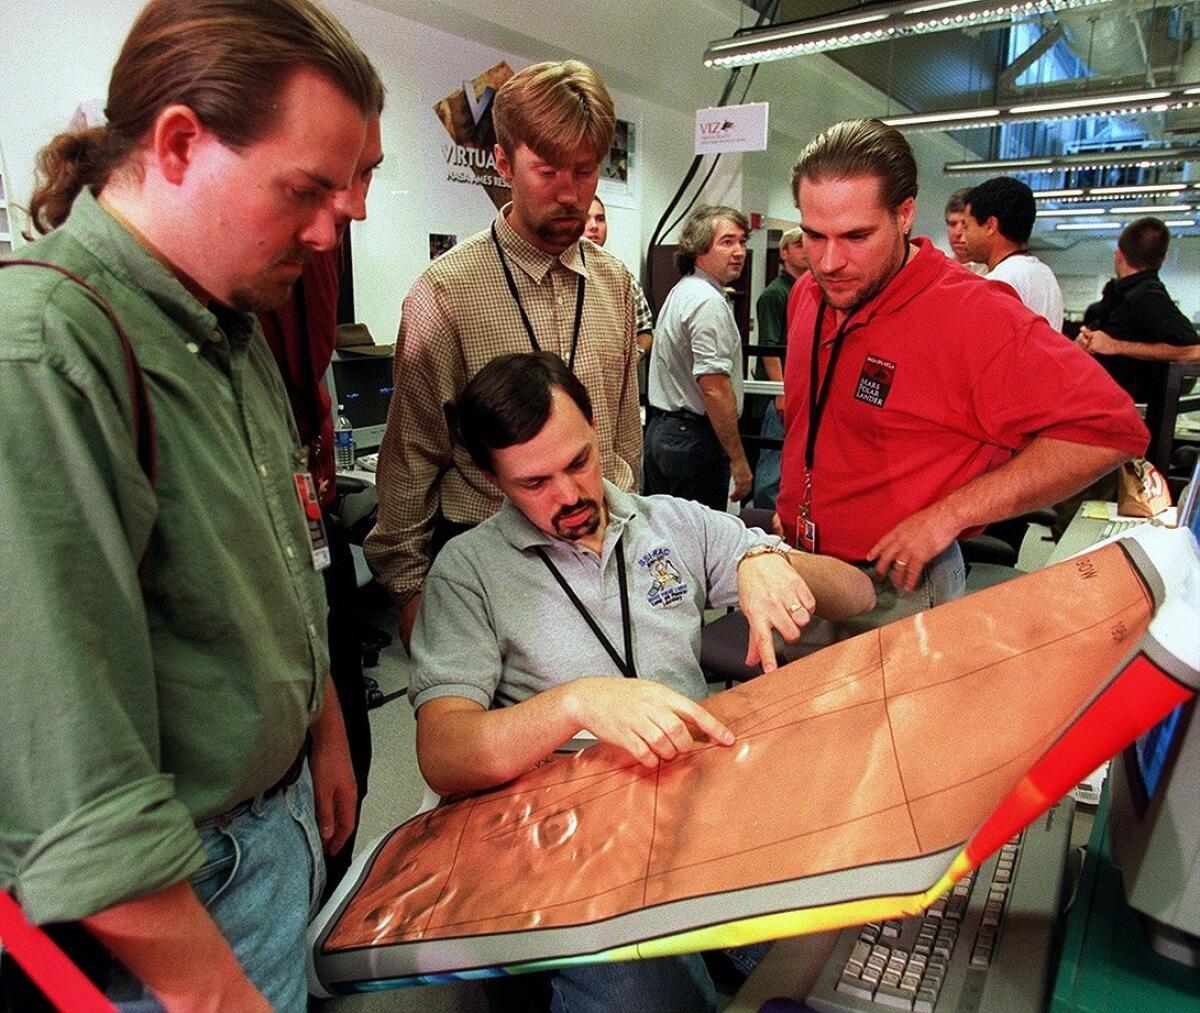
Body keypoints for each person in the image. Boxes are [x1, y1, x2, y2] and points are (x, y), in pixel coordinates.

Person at [0, 1, 382, 1009]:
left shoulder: (225, 312)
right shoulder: (45, 353)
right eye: (304, 190)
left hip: (272, 827)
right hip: (178, 905)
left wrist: (322, 725)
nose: (329, 228)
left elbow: (281, 546)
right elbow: (72, 778)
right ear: (177, 143)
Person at [409, 351, 874, 1013]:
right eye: (534, 482)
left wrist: (765, 558)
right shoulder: (468, 571)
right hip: (573, 831)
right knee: (650, 995)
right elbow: (444, 751)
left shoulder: (669, 522)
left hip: (699, 797)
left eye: (578, 462)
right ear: (491, 478)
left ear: (596, 429)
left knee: (826, 939)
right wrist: (577, 701)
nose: (569, 495)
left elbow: (855, 593)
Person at [774, 118, 1148, 637]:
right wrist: (795, 506)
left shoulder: (972, 313)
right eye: (815, 236)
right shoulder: (808, 296)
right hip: (796, 570)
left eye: (856, 236)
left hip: (893, 592)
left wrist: (947, 516)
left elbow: (1110, 430)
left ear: (904, 215)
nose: (831, 261)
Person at [365, 60, 641, 649]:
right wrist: (412, 591)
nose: (570, 195)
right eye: (546, 171)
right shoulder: (446, 292)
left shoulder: (614, 284)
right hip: (488, 561)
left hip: (599, 547)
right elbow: (411, 455)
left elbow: (620, 437)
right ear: (502, 162)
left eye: (586, 171)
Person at [257, 112, 384, 898]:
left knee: (346, 787)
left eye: (367, 174)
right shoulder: (50, 349)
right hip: (207, 834)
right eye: (324, 184)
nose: (352, 211)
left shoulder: (299, 267)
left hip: (315, 544)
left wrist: (329, 720)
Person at [645, 204, 751, 510]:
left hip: (664, 433)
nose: (740, 252)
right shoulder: (707, 303)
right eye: (727, 242)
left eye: (742, 241)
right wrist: (739, 460)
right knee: (699, 546)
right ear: (699, 248)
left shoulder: (684, 291)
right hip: (693, 441)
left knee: (668, 540)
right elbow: (714, 388)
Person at [963, 175, 1065, 331]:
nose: (964, 235)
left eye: (967, 226)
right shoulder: (1045, 274)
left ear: (990, 225)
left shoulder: (999, 282)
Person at [753, 227, 807, 509]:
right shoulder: (775, 295)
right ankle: (766, 521)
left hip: (797, 394)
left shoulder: (808, 291)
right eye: (799, 244)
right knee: (771, 470)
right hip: (778, 396)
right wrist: (781, 391)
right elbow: (769, 348)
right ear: (784, 252)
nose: (806, 248)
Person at [942, 186, 986, 275]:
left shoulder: (996, 273)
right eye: (952, 224)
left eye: (965, 224)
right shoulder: (939, 269)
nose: (957, 233)